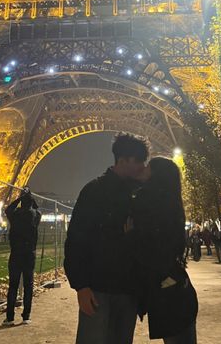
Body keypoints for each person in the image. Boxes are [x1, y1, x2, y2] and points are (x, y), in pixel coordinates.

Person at [64, 132, 150, 344]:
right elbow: (76, 240)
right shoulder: (93, 191)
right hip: (97, 290)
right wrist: (81, 286)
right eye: (139, 161)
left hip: (128, 290)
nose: (142, 167)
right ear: (122, 160)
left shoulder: (140, 196)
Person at [131, 157, 198, 344]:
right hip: (176, 285)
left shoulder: (147, 202)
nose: (142, 169)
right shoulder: (171, 202)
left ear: (157, 175)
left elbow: (149, 246)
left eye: (148, 167)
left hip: (167, 289)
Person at [3, 187, 41, 325]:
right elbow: (37, 208)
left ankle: (10, 318)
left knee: (13, 286)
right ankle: (26, 316)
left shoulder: (16, 215)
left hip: (16, 253)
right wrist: (30, 197)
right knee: (29, 285)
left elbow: (7, 210)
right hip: (29, 254)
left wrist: (19, 197)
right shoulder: (36, 215)